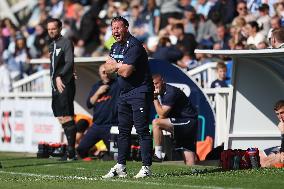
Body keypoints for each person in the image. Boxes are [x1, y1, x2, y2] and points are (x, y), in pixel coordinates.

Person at [102, 16, 153, 179]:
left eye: (118, 27)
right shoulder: (115, 46)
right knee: (122, 131)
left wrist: (116, 66)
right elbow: (106, 70)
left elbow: (125, 71)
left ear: (126, 28)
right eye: (113, 28)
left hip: (139, 91)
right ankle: (121, 166)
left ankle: (146, 167)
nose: (115, 31)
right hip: (124, 93)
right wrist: (119, 66)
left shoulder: (135, 45)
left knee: (142, 130)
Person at [151, 74, 198, 166]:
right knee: (189, 161)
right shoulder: (162, 93)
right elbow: (163, 116)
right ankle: (194, 174)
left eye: (157, 83)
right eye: (153, 85)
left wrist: (154, 98)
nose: (155, 87)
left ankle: (158, 154)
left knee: (156, 123)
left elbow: (161, 114)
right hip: (188, 123)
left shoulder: (170, 92)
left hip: (187, 121)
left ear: (162, 81)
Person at [47, 18, 77, 160]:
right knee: (60, 115)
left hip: (64, 83)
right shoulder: (51, 44)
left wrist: (61, 75)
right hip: (55, 84)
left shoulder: (66, 42)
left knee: (66, 114)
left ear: (59, 28)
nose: (51, 31)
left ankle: (71, 152)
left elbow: (70, 61)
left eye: (53, 28)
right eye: (49, 29)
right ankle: (70, 150)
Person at [76, 64, 120, 160]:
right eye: (103, 72)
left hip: (111, 126)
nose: (105, 74)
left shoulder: (117, 84)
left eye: (107, 71)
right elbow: (89, 104)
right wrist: (98, 92)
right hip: (97, 125)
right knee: (81, 149)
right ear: (99, 74)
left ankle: (103, 155)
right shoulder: (96, 86)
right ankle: (96, 156)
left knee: (116, 155)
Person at [260, 100, 284, 167]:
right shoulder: (281, 124)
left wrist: (283, 132)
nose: (280, 116)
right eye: (277, 114)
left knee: (264, 163)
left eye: (282, 113)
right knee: (258, 155)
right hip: (280, 148)